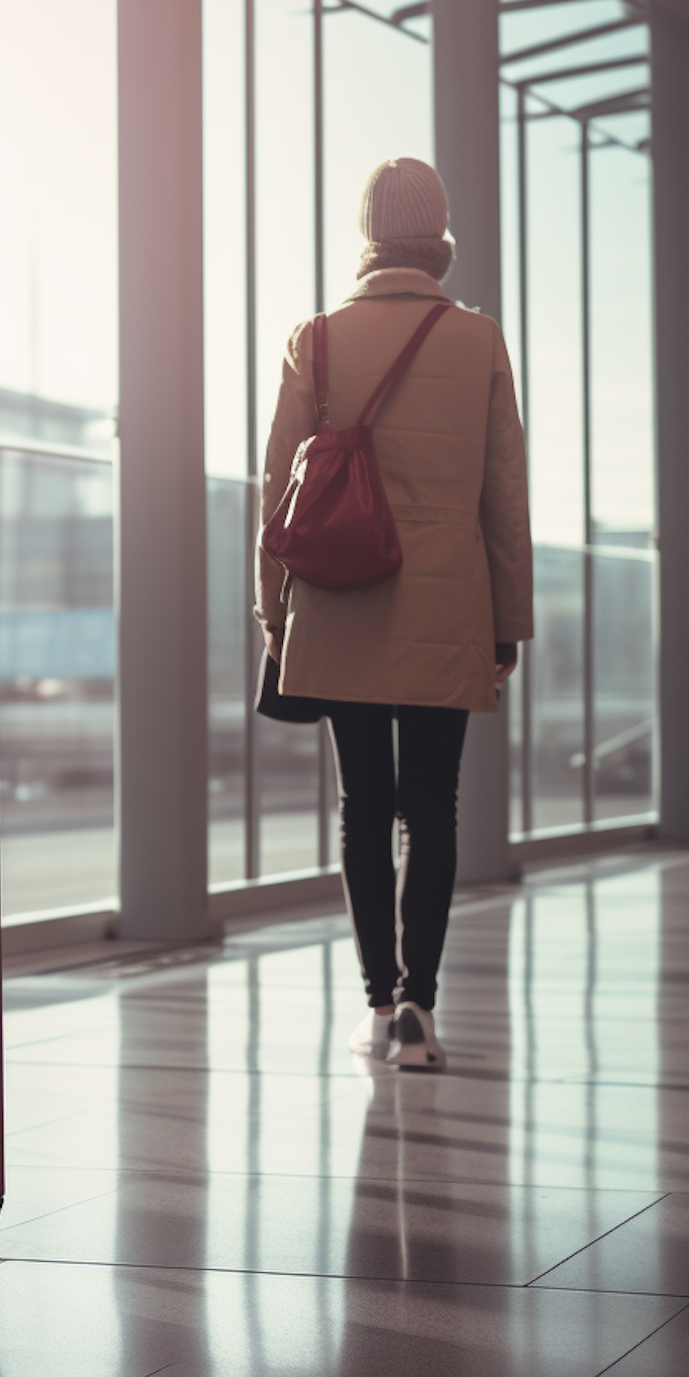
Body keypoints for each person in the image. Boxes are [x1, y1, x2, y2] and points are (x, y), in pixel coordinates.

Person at [255, 157, 533, 1071]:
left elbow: (278, 495)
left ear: (369, 232)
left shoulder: (318, 339)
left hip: (338, 602)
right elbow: (505, 496)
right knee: (435, 810)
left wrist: (274, 616)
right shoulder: (478, 340)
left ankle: (377, 1004)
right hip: (450, 605)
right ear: (439, 233)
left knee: (363, 806)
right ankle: (421, 1009)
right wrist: (506, 627)